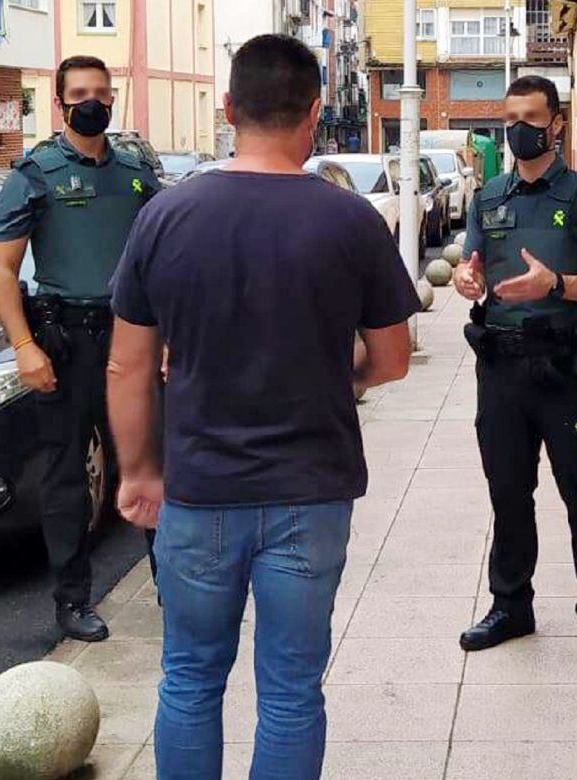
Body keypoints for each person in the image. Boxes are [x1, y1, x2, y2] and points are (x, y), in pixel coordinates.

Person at [107, 34, 418, 780]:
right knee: (290, 691)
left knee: (190, 677)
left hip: (200, 487)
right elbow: (392, 359)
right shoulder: (351, 220)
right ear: (313, 113)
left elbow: (127, 364)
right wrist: (336, 375)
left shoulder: (166, 216)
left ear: (228, 109)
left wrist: (139, 471)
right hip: (311, 490)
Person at [453, 75, 577, 671]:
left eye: (531, 118)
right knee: (507, 493)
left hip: (562, 370)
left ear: (556, 123)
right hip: (501, 368)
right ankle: (511, 606)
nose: (519, 130)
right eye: (510, 119)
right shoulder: (488, 198)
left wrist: (557, 284)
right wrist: (468, 280)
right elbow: (472, 264)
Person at [0, 55, 160, 642]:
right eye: (79, 92)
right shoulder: (35, 175)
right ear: (60, 103)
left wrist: (168, 337)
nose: (92, 102)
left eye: (100, 93)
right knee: (66, 476)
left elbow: (161, 260)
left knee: (149, 462)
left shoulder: (136, 173)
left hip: (132, 336)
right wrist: (23, 346)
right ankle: (72, 600)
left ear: (112, 100)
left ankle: (174, 584)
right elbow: (3, 270)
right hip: (65, 342)